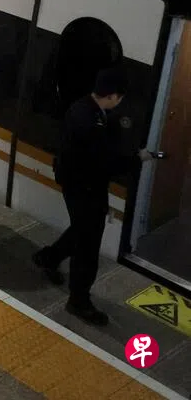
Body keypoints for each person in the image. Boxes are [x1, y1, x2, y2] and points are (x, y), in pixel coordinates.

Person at [32, 68, 153, 326]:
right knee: (88, 246)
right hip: (85, 188)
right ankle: (78, 301)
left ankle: (48, 258)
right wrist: (137, 159)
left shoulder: (83, 107)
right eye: (120, 98)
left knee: (81, 229)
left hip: (77, 183)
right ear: (112, 96)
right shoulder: (91, 121)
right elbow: (104, 163)